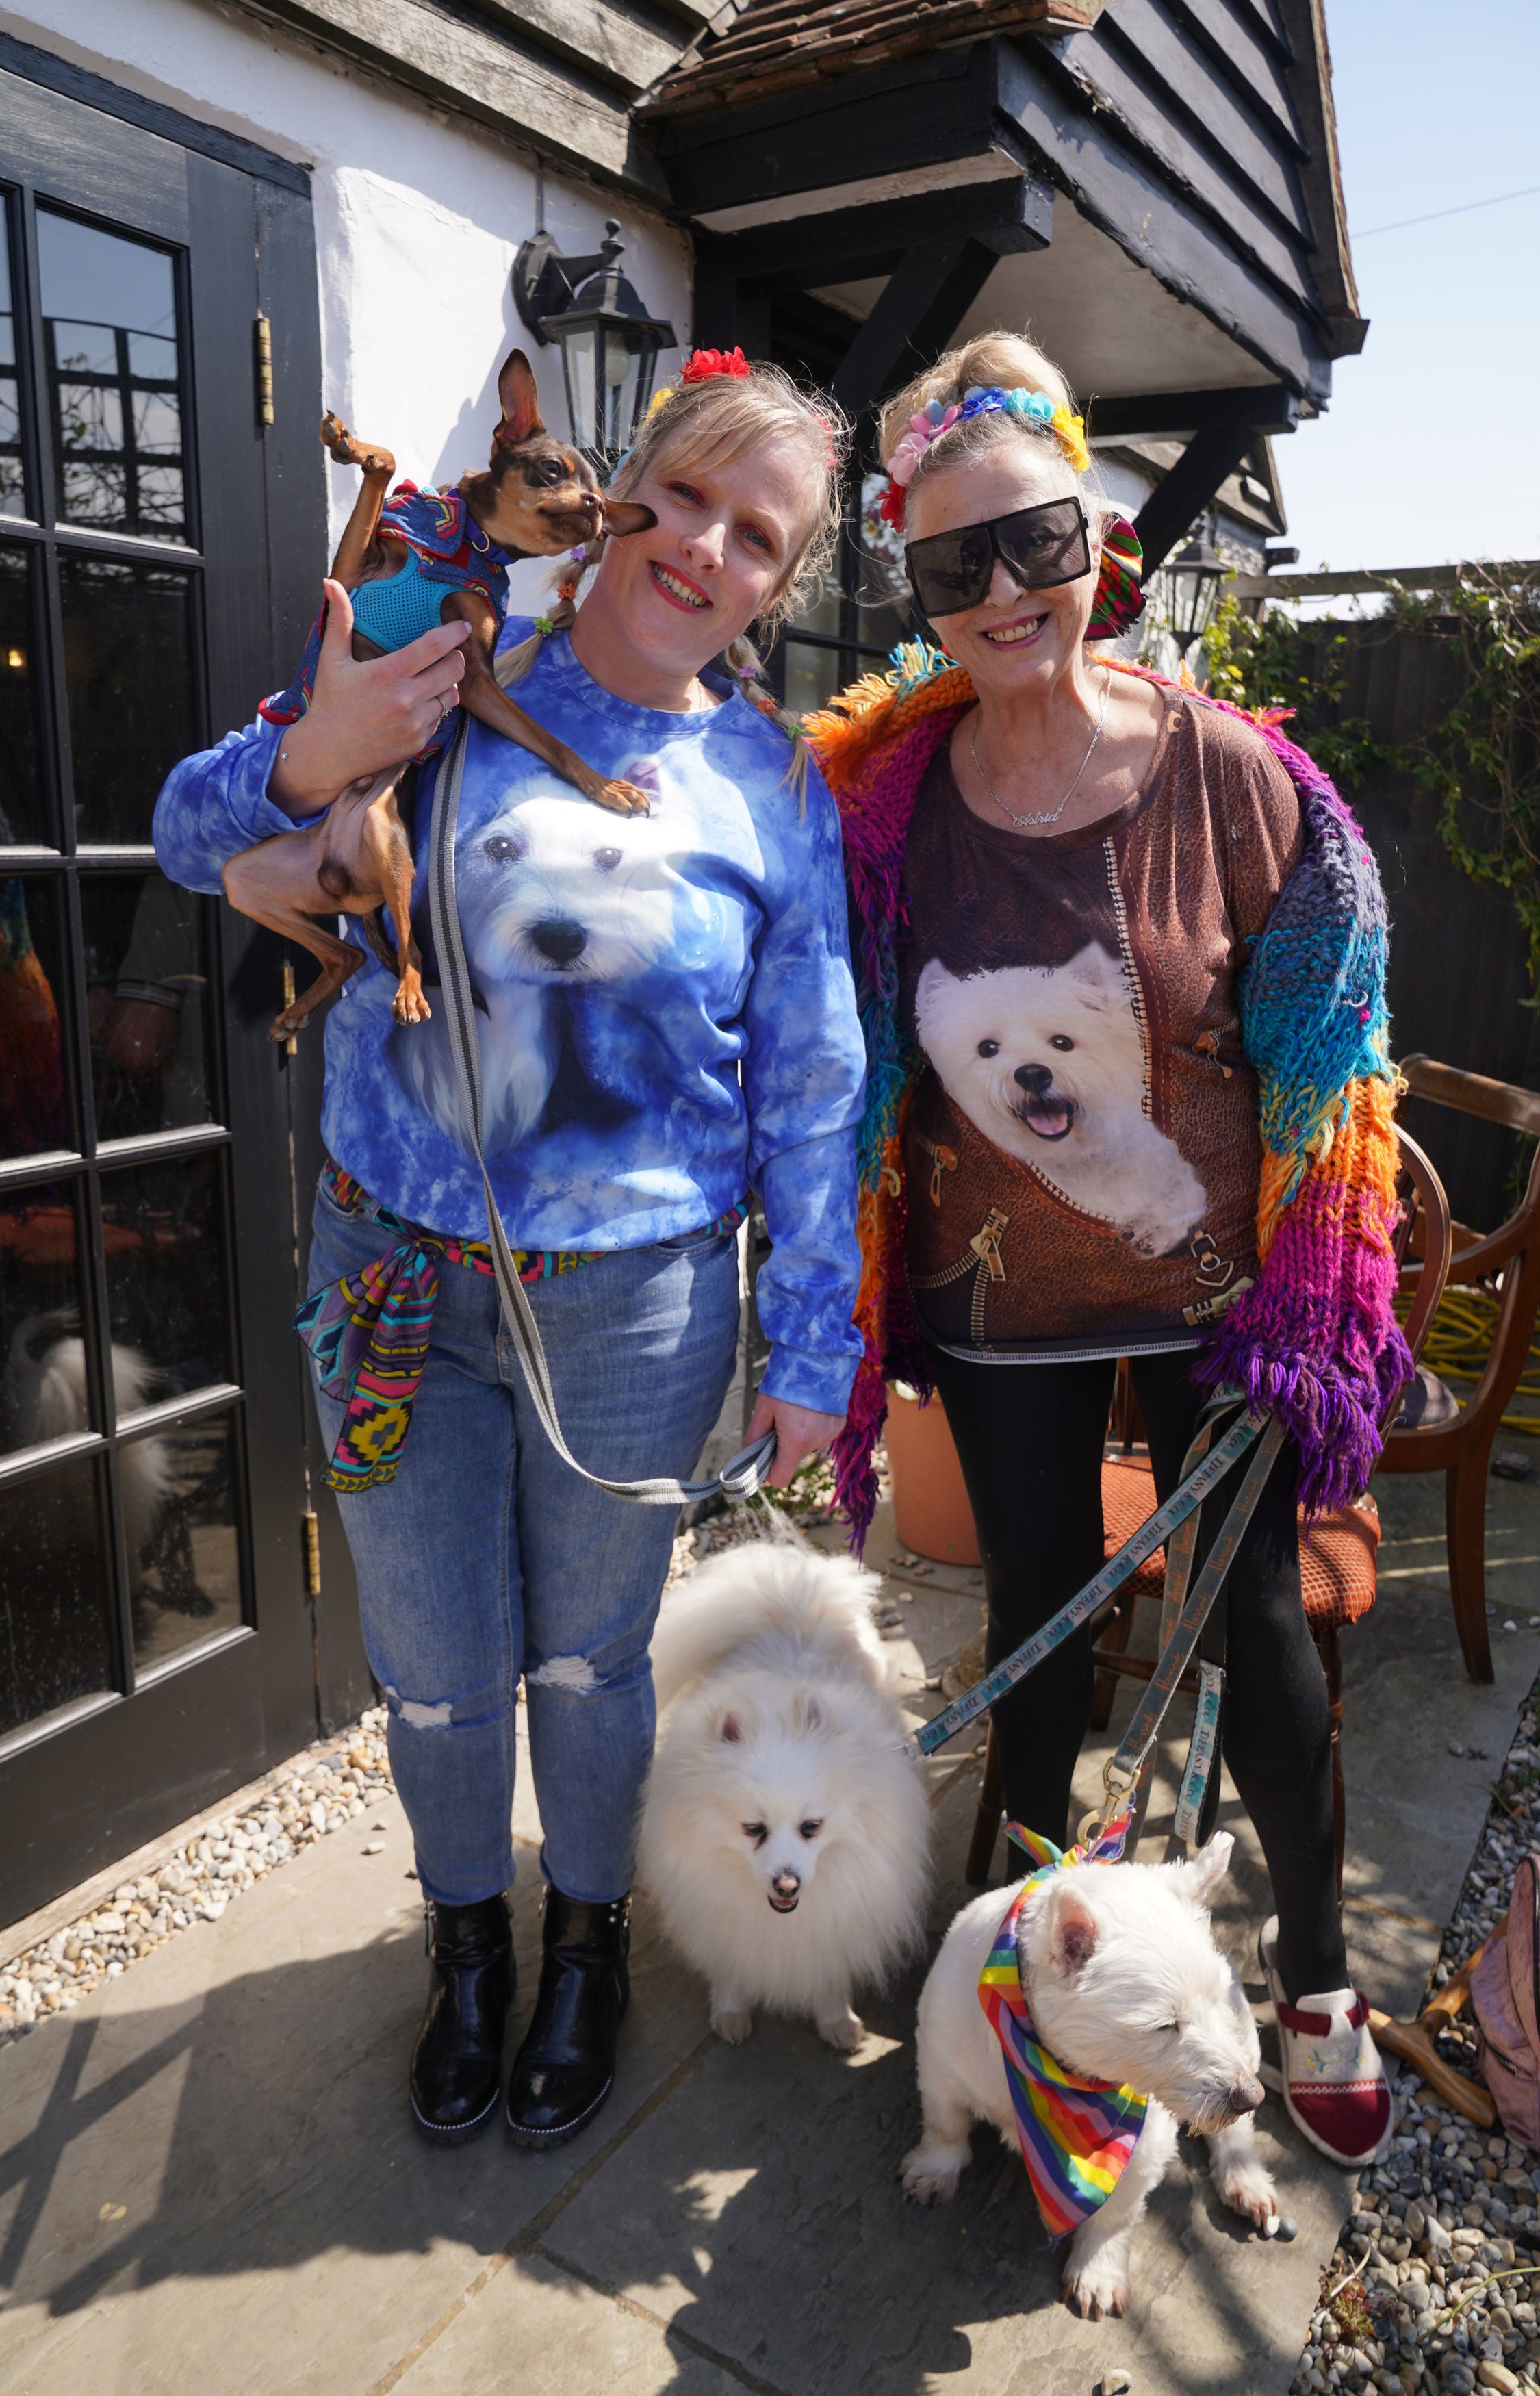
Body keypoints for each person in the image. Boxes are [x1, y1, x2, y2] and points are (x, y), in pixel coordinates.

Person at [153, 351, 866, 2151]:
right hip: (392, 1273)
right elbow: (191, 834)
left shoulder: (774, 785)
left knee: (591, 1663)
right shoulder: (450, 668)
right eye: (687, 494)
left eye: (758, 533)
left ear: (784, 580)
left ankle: (585, 1950)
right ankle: (468, 1947)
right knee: (438, 1661)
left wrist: (807, 1349)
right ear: (624, 491)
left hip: (638, 1308)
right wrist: (328, 748)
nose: (705, 546)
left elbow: (812, 1083)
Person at [810, 332, 1411, 2171]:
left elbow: (1336, 1043)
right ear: (911, 583)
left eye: (1034, 543)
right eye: (948, 564)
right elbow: (836, 1048)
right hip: (1007, 1311)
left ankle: (1311, 1975)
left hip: (1223, 1299)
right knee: (1044, 1633)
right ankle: (1026, 1961)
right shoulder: (885, 803)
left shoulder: (1232, 779)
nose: (1000, 593)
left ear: (1101, 540)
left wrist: (1315, 1300)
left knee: (1263, 1636)